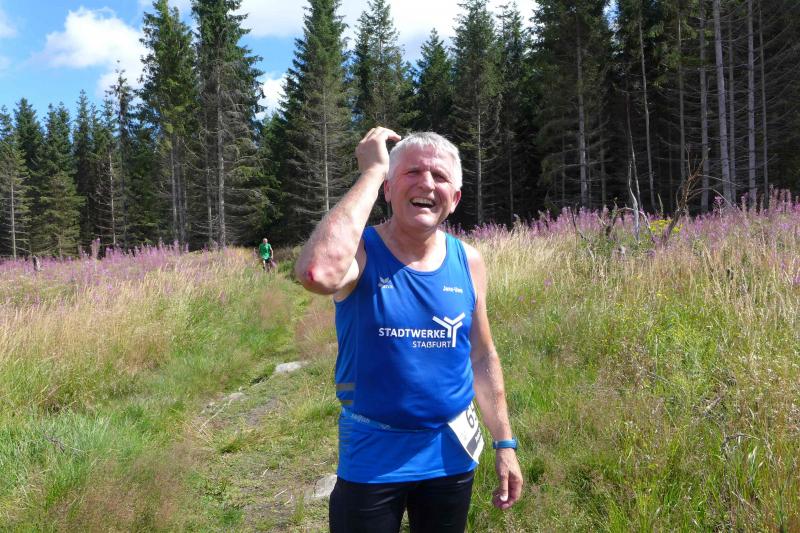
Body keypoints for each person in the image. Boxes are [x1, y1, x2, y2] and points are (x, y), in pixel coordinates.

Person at [295, 127, 523, 532]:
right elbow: (318, 272)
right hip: (372, 457)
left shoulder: (469, 261)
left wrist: (504, 442)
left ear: (455, 199)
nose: (427, 184)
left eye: (440, 176)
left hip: (450, 455)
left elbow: (481, 355)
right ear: (388, 189)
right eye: (412, 172)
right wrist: (371, 172)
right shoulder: (362, 253)